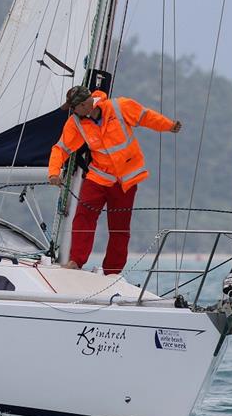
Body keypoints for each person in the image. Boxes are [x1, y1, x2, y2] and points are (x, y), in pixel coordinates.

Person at [48, 85, 181, 275]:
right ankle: (76, 261)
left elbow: (146, 117)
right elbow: (60, 148)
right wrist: (54, 172)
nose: (72, 110)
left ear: (85, 105)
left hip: (125, 180)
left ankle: (112, 271)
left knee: (119, 227)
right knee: (83, 218)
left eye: (74, 107)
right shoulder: (75, 122)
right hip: (98, 177)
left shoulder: (120, 106)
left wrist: (169, 125)